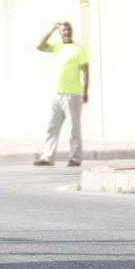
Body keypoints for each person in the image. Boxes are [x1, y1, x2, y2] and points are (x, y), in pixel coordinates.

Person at [33, 21, 89, 167]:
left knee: (73, 128)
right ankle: (47, 157)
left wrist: (85, 91)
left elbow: (85, 70)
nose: (67, 32)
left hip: (73, 93)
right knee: (52, 126)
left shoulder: (79, 49)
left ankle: (75, 158)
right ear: (60, 32)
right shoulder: (57, 47)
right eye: (64, 30)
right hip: (57, 93)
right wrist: (52, 29)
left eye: (69, 29)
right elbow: (40, 45)